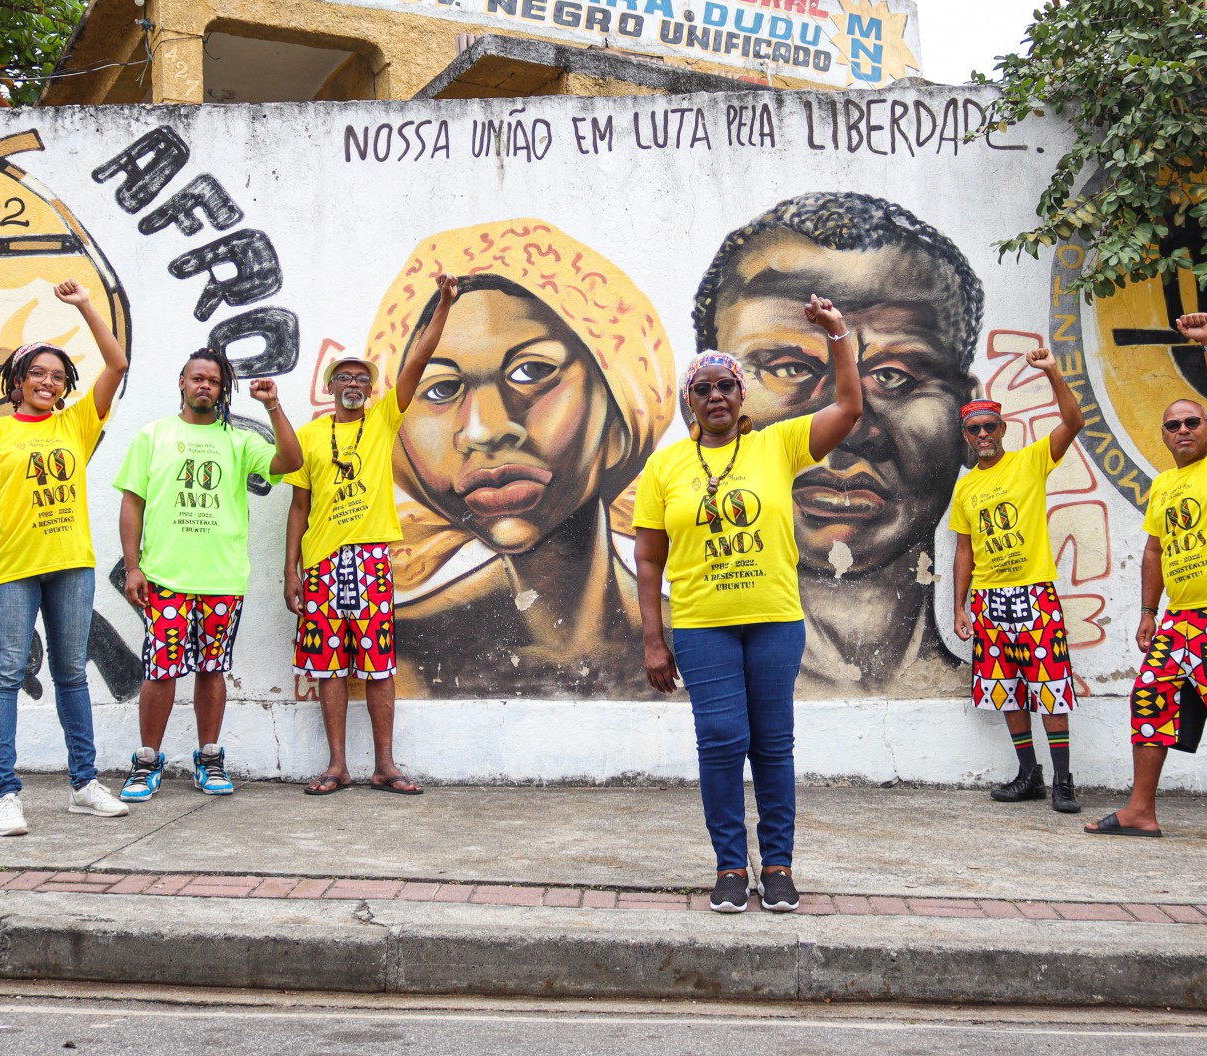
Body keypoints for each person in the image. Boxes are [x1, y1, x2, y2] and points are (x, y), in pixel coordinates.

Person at [366, 221, 674, 698]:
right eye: (441, 388)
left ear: (617, 413)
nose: (485, 429)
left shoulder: (700, 640)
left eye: (532, 371)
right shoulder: (401, 657)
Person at [693, 193, 984, 696]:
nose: (849, 429)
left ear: (964, 414)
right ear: (702, 407)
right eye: (788, 369)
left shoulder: (972, 679)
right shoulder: (680, 666)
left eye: (895, 375)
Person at [635, 297, 862, 915]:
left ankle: (780, 866)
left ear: (742, 397)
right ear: (691, 401)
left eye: (727, 386)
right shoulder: (665, 468)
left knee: (771, 741)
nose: (716, 396)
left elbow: (848, 408)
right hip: (704, 626)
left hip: (774, 622)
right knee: (719, 738)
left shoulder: (778, 445)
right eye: (703, 387)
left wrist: (838, 335)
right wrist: (654, 639)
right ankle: (731, 867)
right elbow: (649, 559)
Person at [1087, 312, 1207, 853]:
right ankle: (1141, 811)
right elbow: (1155, 548)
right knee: (1148, 702)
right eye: (1173, 425)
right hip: (1179, 620)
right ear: (1164, 436)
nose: (1184, 430)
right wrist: (1148, 612)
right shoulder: (1164, 484)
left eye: (1192, 422)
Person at [0, 280, 130, 837]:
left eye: (57, 376)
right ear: (17, 381)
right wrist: (5, 525)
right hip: (9, 569)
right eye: (38, 374)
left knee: (71, 673)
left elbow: (117, 363)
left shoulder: (75, 425)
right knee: (4, 674)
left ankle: (84, 784)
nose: (48, 382)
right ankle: (5, 794)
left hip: (70, 565)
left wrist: (83, 306)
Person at [287, 272, 459, 796]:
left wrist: (445, 304)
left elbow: (419, 359)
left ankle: (385, 764)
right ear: (332, 386)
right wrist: (288, 570)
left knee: (380, 666)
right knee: (329, 667)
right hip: (319, 565)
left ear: (372, 388)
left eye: (363, 378)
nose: (355, 385)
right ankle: (337, 765)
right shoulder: (311, 435)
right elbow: (299, 504)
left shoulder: (384, 419)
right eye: (346, 378)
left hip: (368, 561)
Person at [113, 347, 304, 801]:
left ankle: (209, 757)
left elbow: (290, 462)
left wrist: (272, 405)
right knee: (160, 671)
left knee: (212, 669)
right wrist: (134, 566)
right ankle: (147, 761)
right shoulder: (153, 435)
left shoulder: (238, 440)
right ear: (182, 382)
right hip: (164, 579)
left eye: (214, 381)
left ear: (223, 389)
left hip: (222, 580)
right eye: (197, 378)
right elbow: (132, 503)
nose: (205, 386)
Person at [949, 347, 1086, 814]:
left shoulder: (1029, 461)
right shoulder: (965, 487)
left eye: (990, 427)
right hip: (989, 599)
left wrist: (1051, 371)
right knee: (1005, 688)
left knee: (1050, 686)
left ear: (1002, 429)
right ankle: (1030, 774)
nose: (983, 434)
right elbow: (964, 550)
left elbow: (1073, 422)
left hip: (1035, 592)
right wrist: (959, 606)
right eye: (975, 429)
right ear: (966, 435)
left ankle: (1065, 780)